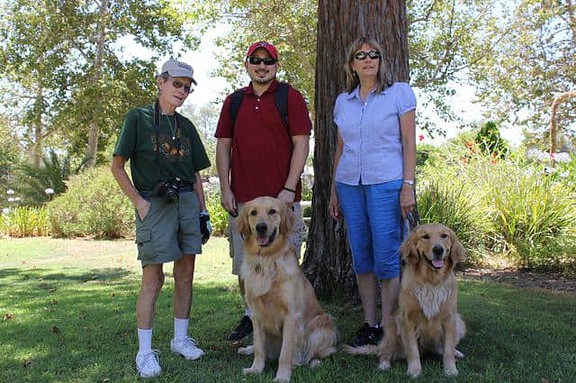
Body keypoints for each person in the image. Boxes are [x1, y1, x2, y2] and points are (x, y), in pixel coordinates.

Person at [111, 58, 211, 378]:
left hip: (185, 201)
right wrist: (138, 202)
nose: (181, 91)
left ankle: (180, 340)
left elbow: (195, 173)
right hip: (154, 203)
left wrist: (203, 210)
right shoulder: (138, 118)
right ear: (161, 82)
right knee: (152, 278)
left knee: (186, 273)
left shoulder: (186, 126)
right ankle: (145, 352)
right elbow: (117, 165)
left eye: (186, 87)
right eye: (176, 84)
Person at [215, 41, 312, 342]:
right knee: (246, 265)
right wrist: (225, 187)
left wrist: (287, 189)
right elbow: (223, 145)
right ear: (247, 65)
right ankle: (251, 317)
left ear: (276, 66)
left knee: (286, 266)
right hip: (244, 202)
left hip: (281, 202)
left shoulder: (290, 97)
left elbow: (302, 143)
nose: (262, 65)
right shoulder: (234, 102)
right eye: (255, 60)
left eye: (268, 61)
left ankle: (290, 320)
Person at [328, 37, 417, 347]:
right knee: (362, 257)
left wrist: (408, 185)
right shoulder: (343, 101)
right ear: (352, 64)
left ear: (380, 60)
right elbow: (341, 148)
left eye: (373, 55)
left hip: (387, 184)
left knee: (387, 257)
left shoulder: (399, 94)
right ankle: (370, 323)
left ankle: (390, 326)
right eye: (360, 55)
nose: (367, 60)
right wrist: (333, 193)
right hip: (349, 185)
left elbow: (409, 143)